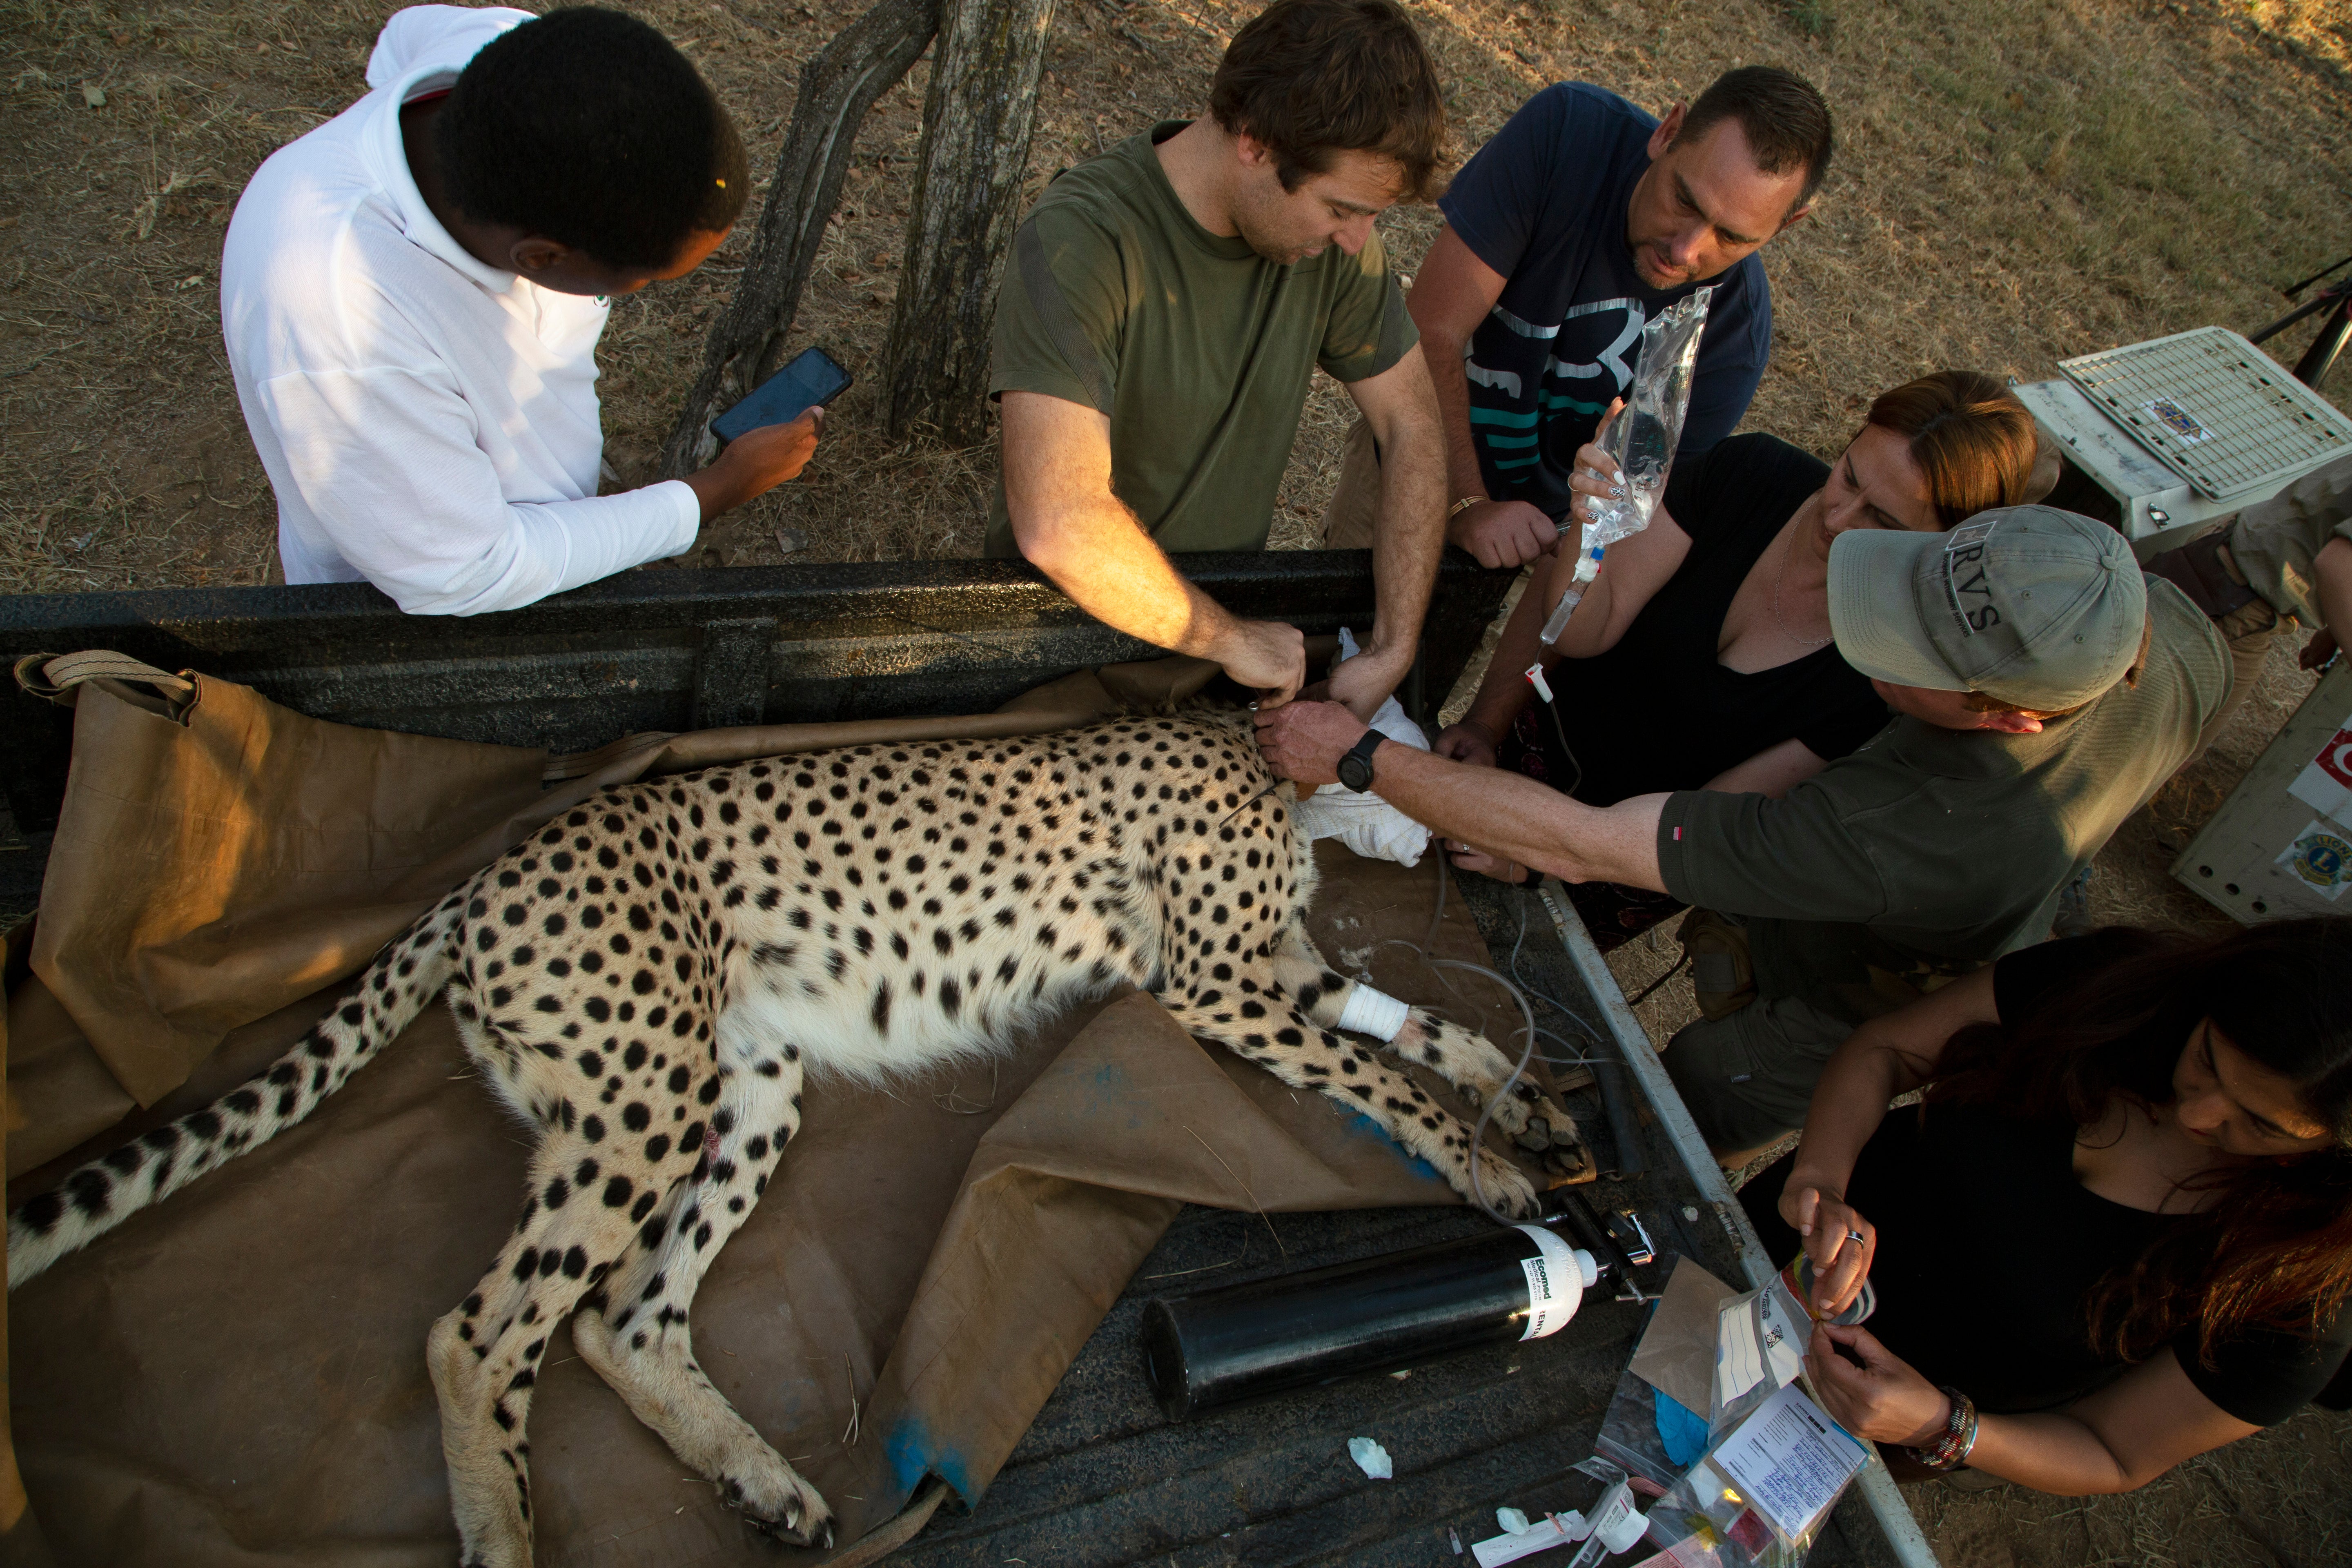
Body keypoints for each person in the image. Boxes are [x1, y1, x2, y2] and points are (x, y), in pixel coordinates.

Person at [1253, 505, 2231, 1158]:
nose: (1868, 630)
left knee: (1690, 1094)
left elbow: (1585, 846)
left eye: (1910, 644)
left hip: (1885, 985)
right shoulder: (2155, 630)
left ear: (2007, 716)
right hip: (1983, 865)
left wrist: (1359, 759)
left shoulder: (1900, 828)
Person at [223, 6, 821, 615]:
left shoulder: (507, 58)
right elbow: (465, 574)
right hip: (426, 619)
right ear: (538, 257)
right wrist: (710, 493)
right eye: (641, 280)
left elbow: (402, 37)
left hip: (540, 524)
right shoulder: (341, 320)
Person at [1436, 370, 2040, 949]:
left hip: (1624, 863)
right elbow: (1580, 633)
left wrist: (1539, 859)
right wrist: (1588, 527)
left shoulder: (1886, 674)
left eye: (1883, 521)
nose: (1837, 519)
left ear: (1943, 545)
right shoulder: (1752, 474)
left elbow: (1708, 826)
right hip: (1522, 761)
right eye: (1849, 477)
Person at [1753, 918, 2352, 1493]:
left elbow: (2116, 1451)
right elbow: (1888, 1048)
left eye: (2259, 1124)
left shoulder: (2307, 1285)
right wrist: (1822, 1180)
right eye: (2207, 1060)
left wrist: (1942, 1426)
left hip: (1848, 1429)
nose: (2197, 1114)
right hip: (1757, 1257)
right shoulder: (2119, 984)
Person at [988, 0, 1448, 718]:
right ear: (1257, 144)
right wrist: (1230, 639)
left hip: (1208, 675)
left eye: (1371, 216)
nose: (1358, 240)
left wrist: (1394, 647)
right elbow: (1061, 524)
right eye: (1339, 209)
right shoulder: (1084, 239)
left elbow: (1412, 426)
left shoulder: (1332, 249)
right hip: (1058, 659)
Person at [1320, 67, 1833, 570]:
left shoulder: (1732, 338)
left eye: (1733, 239)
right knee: (1340, 631)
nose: (1685, 250)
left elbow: (1624, 528)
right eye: (1684, 201)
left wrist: (1555, 576)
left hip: (1551, 540)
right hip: (1420, 442)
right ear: (1668, 133)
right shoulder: (1567, 134)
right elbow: (1430, 332)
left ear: (1787, 226)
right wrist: (1467, 505)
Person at [2144, 451, 2352, 754]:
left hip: (2237, 565)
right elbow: (2337, 565)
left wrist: (2335, 630)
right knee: (2167, 752)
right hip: (2237, 594)